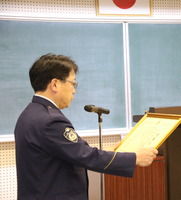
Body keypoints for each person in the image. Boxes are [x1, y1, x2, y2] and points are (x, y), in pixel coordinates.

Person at [14, 54, 158, 200]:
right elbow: (86, 157)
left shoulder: (29, 114)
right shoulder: (51, 121)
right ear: (55, 84)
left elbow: (69, 152)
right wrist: (135, 158)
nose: (74, 90)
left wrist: (106, 152)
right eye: (73, 83)